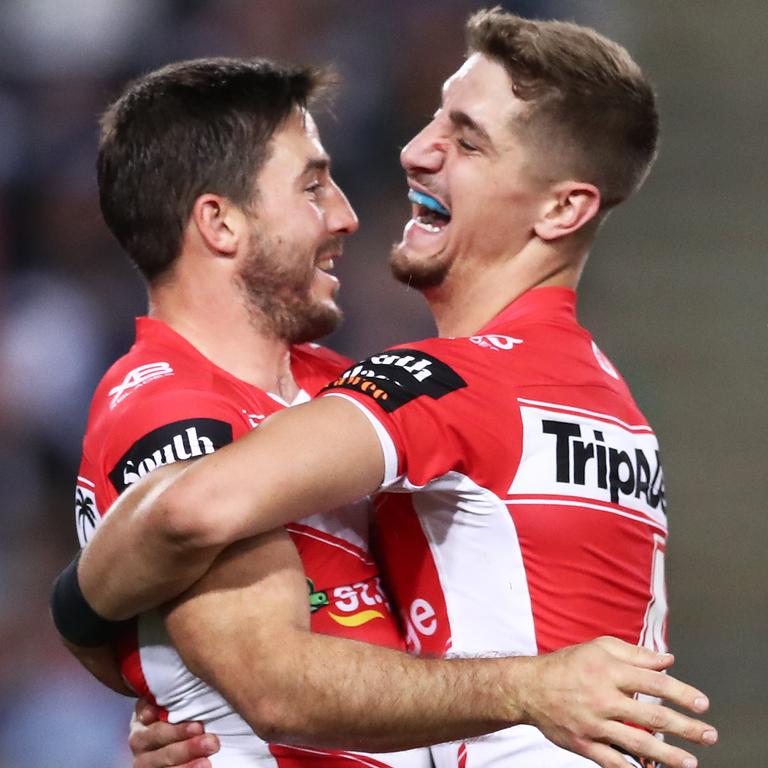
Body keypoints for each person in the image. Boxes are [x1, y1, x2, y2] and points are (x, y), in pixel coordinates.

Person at [52, 11, 718, 768]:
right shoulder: (605, 401)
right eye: (312, 186)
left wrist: (79, 613)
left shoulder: (442, 384)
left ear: (564, 208)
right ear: (219, 223)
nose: (409, 155)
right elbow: (269, 680)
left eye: (466, 140)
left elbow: (193, 512)